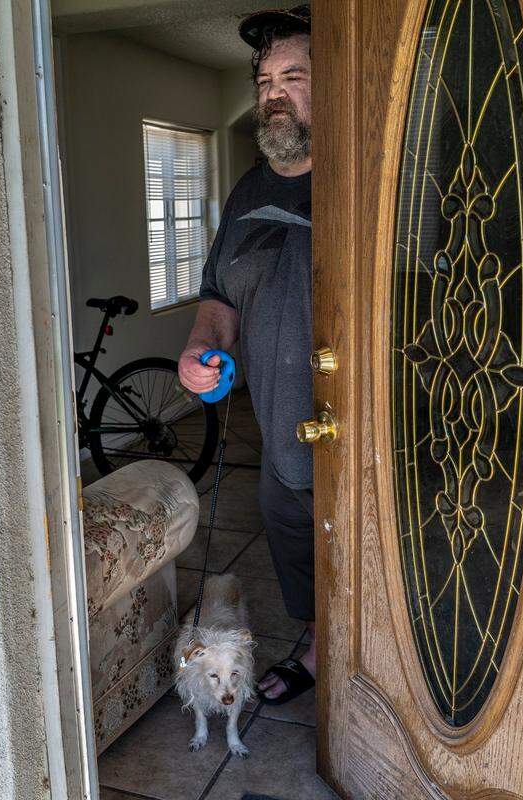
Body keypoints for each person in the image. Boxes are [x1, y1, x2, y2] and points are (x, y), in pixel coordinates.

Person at [176, 5, 315, 705]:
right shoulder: (248, 193)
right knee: (294, 537)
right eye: (264, 81)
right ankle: (323, 651)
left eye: (293, 75)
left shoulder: (369, 182)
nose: (274, 93)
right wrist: (199, 351)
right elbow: (217, 298)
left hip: (365, 433)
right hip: (282, 432)